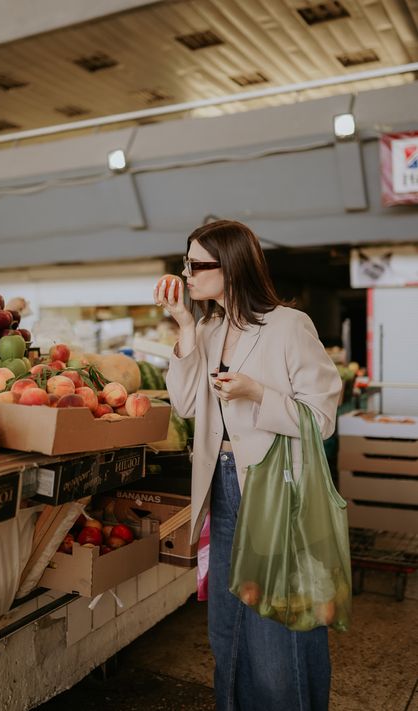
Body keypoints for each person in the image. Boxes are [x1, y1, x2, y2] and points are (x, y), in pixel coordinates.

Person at [154, 220, 342, 711]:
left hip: (275, 491)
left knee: (279, 628)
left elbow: (321, 418)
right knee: (229, 627)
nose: (187, 273)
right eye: (186, 263)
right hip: (221, 486)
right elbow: (189, 405)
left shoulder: (288, 325)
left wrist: (257, 393)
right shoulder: (209, 330)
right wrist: (184, 324)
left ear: (231, 267)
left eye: (197, 265)